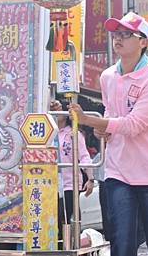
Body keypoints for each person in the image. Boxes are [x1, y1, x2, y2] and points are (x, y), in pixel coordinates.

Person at [69, 12, 148, 256]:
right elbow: (111, 112)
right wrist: (101, 129)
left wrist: (89, 120)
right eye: (116, 33)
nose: (119, 38)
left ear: (143, 41)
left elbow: (134, 124)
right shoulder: (107, 77)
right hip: (118, 172)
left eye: (127, 34)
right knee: (121, 243)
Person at [50, 99, 93, 234]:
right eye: (55, 109)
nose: (58, 112)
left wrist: (90, 179)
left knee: (67, 221)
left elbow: (84, 156)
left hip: (69, 184)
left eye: (61, 109)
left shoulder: (73, 133)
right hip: (49, 185)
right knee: (52, 223)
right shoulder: (47, 132)